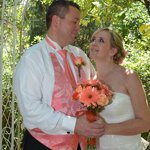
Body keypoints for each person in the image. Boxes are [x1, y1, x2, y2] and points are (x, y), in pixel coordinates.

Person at [14, 1, 105, 150]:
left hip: (79, 144)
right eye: (74, 22)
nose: (78, 28)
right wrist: (73, 124)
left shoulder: (79, 54)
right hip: (42, 144)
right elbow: (30, 108)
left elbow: (94, 88)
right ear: (56, 21)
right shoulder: (33, 58)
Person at [89, 28, 150, 150]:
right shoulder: (90, 81)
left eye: (101, 40)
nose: (94, 43)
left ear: (113, 50)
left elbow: (145, 123)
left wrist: (106, 128)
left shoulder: (128, 76)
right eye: (93, 39)